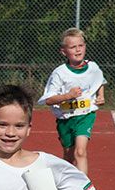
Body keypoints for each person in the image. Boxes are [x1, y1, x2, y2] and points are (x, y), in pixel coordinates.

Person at [38, 28, 106, 175]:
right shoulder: (59, 73)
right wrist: (68, 95)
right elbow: (49, 99)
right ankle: (67, 183)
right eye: (73, 47)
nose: (78, 50)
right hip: (66, 118)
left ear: (85, 47)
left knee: (80, 152)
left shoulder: (93, 67)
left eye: (80, 46)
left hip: (85, 115)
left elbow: (100, 81)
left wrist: (101, 96)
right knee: (68, 157)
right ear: (63, 51)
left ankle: (83, 189)